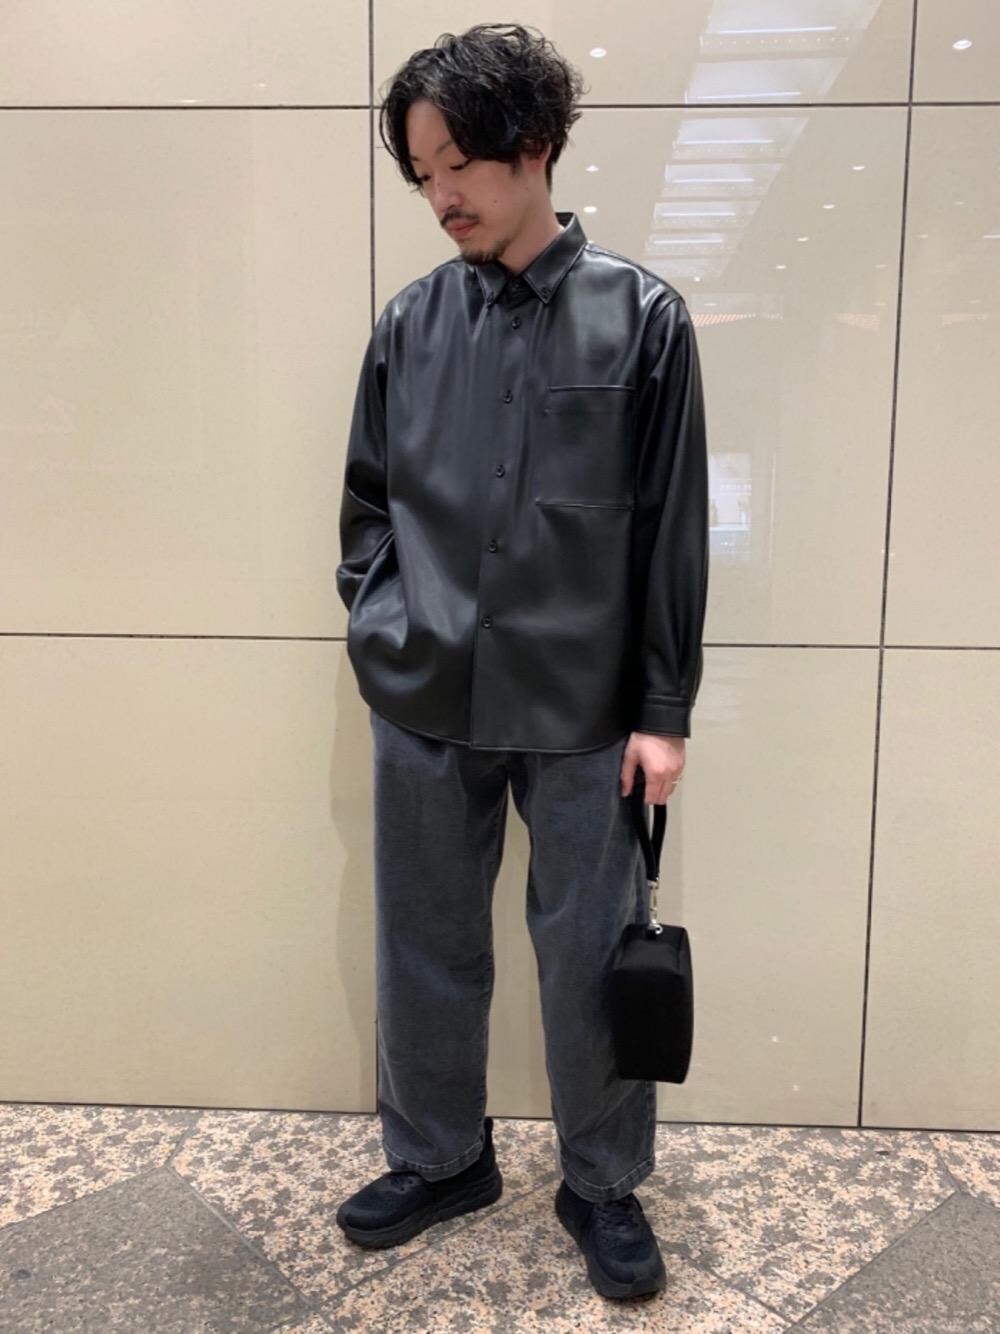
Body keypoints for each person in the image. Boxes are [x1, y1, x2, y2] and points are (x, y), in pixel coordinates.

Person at [333, 22, 709, 1302]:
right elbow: (367, 502)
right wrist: (381, 616)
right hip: (424, 690)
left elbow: (669, 528)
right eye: (422, 173)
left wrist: (661, 709)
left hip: (585, 705)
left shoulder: (641, 319)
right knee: (423, 941)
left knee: (588, 954)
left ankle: (600, 1181)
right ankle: (440, 1156)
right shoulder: (409, 323)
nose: (440, 195)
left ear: (533, 145)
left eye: (459, 164)